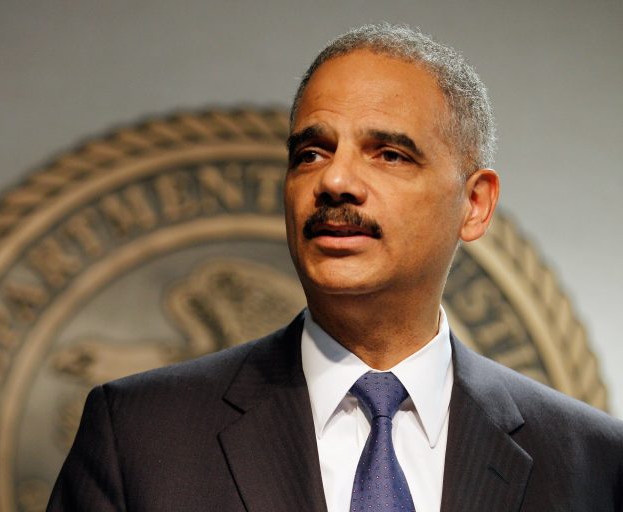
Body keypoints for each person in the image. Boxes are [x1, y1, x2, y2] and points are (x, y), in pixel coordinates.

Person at [47, 23, 623, 512]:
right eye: (311, 153)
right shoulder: (139, 437)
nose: (335, 180)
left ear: (474, 204)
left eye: (389, 154)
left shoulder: (595, 462)